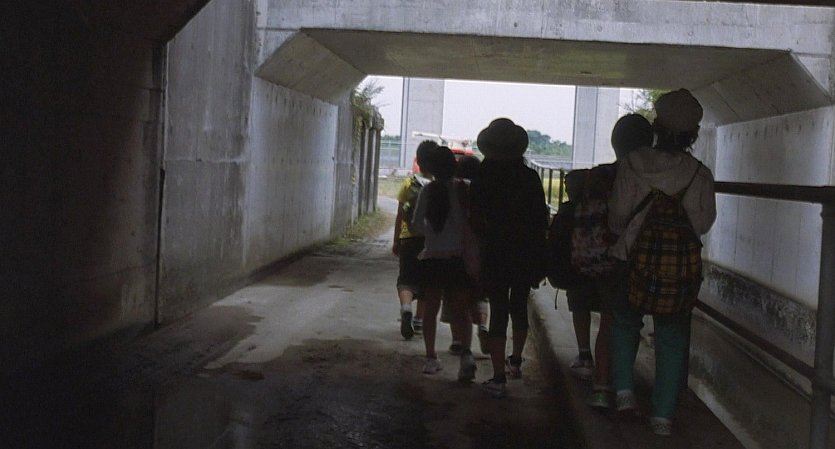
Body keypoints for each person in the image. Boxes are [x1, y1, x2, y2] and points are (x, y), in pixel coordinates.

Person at [608, 89, 716, 436]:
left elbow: (617, 217)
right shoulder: (698, 173)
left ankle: (624, 394)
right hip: (677, 269)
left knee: (625, 322)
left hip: (630, 259)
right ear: (693, 135)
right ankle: (663, 416)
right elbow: (702, 223)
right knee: (671, 335)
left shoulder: (632, 162)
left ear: (656, 126)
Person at [566, 114, 654, 411]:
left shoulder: (597, 175)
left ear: (615, 143)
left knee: (608, 318)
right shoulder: (647, 176)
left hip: (596, 257)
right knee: (627, 321)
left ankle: (602, 387)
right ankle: (619, 382)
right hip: (632, 257)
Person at [470, 118, 548, 398]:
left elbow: (474, 218)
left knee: (499, 310)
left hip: (494, 251)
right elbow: (541, 219)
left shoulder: (483, 177)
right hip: (525, 251)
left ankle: (498, 376)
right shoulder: (529, 177)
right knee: (519, 306)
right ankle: (515, 361)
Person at [410, 146, 478, 381]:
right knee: (461, 309)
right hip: (457, 258)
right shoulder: (464, 188)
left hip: (432, 258)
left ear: (431, 169)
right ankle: (466, 355)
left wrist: (432, 235)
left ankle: (431, 358)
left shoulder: (427, 190)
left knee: (431, 308)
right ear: (454, 166)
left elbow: (416, 225)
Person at [393, 140, 436, 339]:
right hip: (430, 242)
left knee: (406, 279)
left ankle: (406, 308)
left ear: (418, 161)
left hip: (408, 239)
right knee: (427, 281)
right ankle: (419, 320)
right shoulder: (438, 186)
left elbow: (400, 215)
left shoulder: (409, 184)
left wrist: (396, 240)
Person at [453, 154, 490, 356]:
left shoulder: (455, 188)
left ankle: (458, 340)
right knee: (479, 295)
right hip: (481, 250)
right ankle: (482, 326)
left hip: (458, 251)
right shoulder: (483, 190)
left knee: (458, 299)